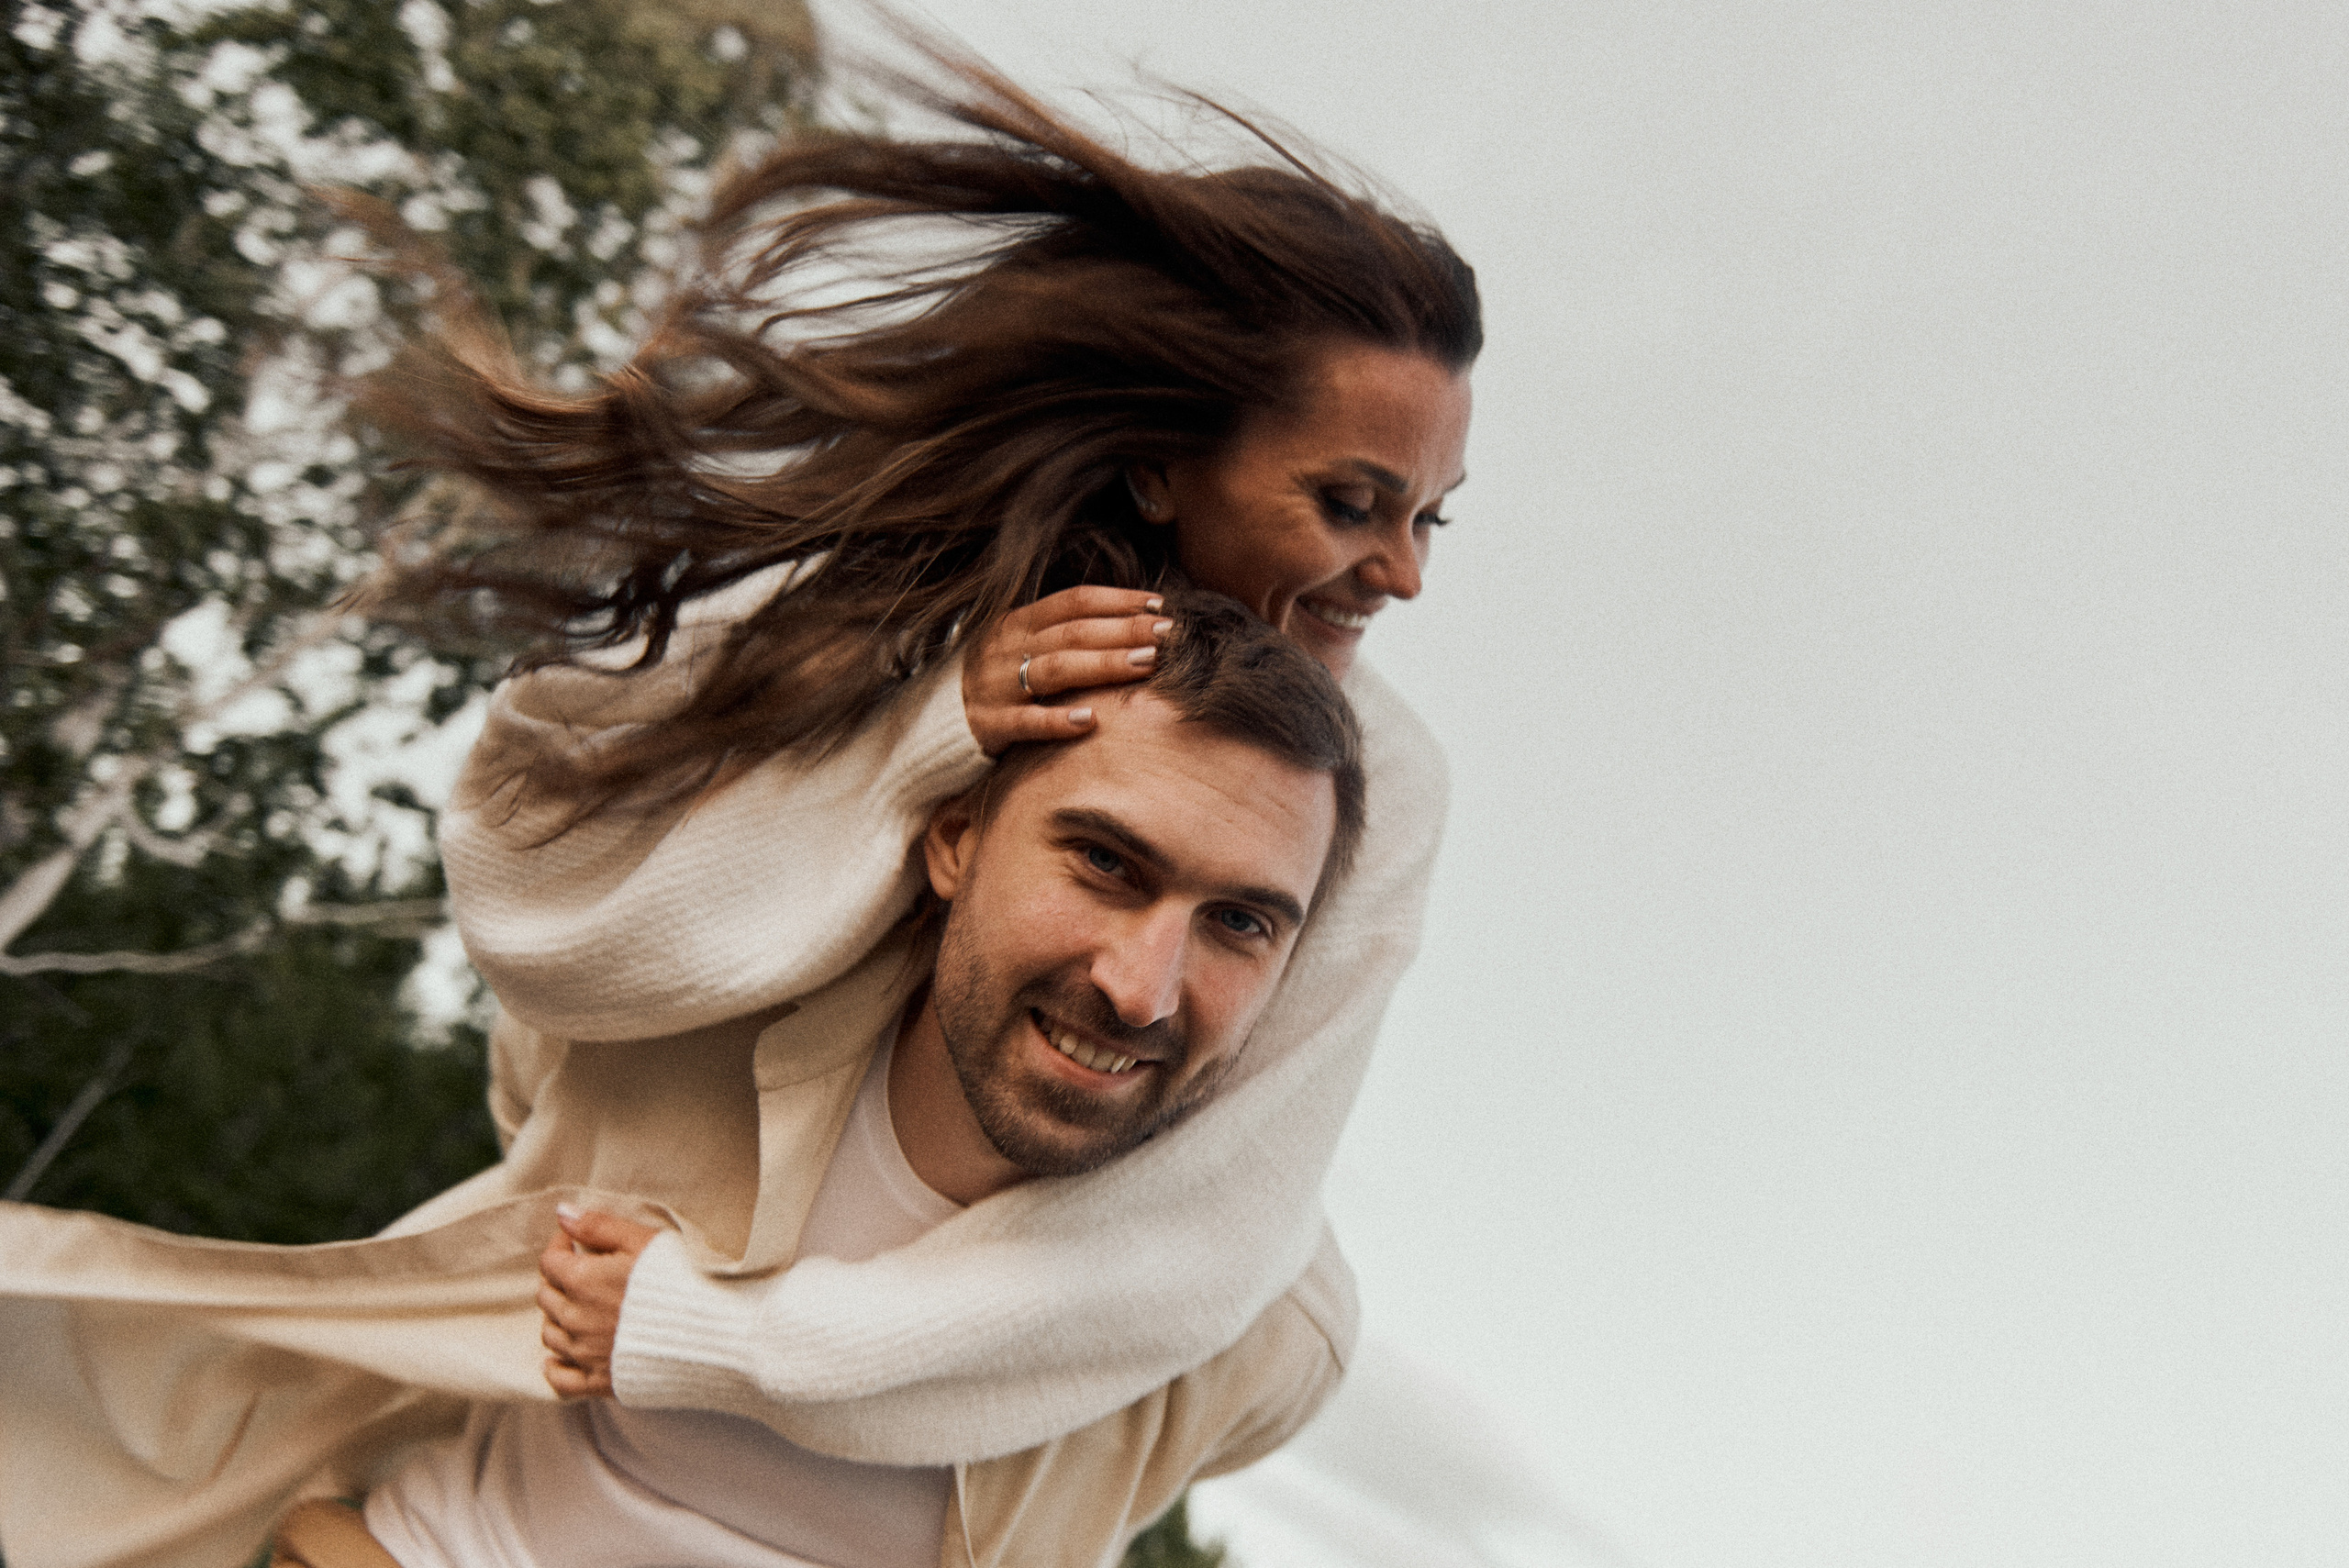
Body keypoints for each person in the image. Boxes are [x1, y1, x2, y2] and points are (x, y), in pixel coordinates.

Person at [0, 37, 1477, 1568]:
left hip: (888, 1379)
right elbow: (537, 900)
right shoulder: (906, 614)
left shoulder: (1374, 793)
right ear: (1167, 465)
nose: (1403, 573)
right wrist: (917, 732)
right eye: (1350, 502)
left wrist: (720, 1338)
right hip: (470, 1491)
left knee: (1301, 1303)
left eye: (1433, 518)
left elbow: (1198, 1250)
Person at [265, 591, 1363, 1568]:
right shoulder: (695, 1012)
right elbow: (553, 742)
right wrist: (921, 705)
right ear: (954, 838)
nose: (1142, 989)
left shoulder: (1269, 1335)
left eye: (1239, 921)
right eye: (1105, 862)